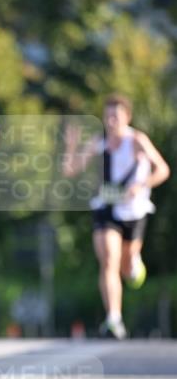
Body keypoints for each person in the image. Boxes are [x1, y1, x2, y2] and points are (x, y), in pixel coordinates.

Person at [63, 94, 170, 339]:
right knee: (109, 260)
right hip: (106, 206)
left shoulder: (137, 140)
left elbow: (162, 169)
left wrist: (141, 185)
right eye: (107, 116)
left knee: (126, 264)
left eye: (116, 116)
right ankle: (114, 318)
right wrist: (71, 146)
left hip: (134, 209)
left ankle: (134, 261)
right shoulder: (98, 142)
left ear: (126, 117)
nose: (111, 121)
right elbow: (70, 170)